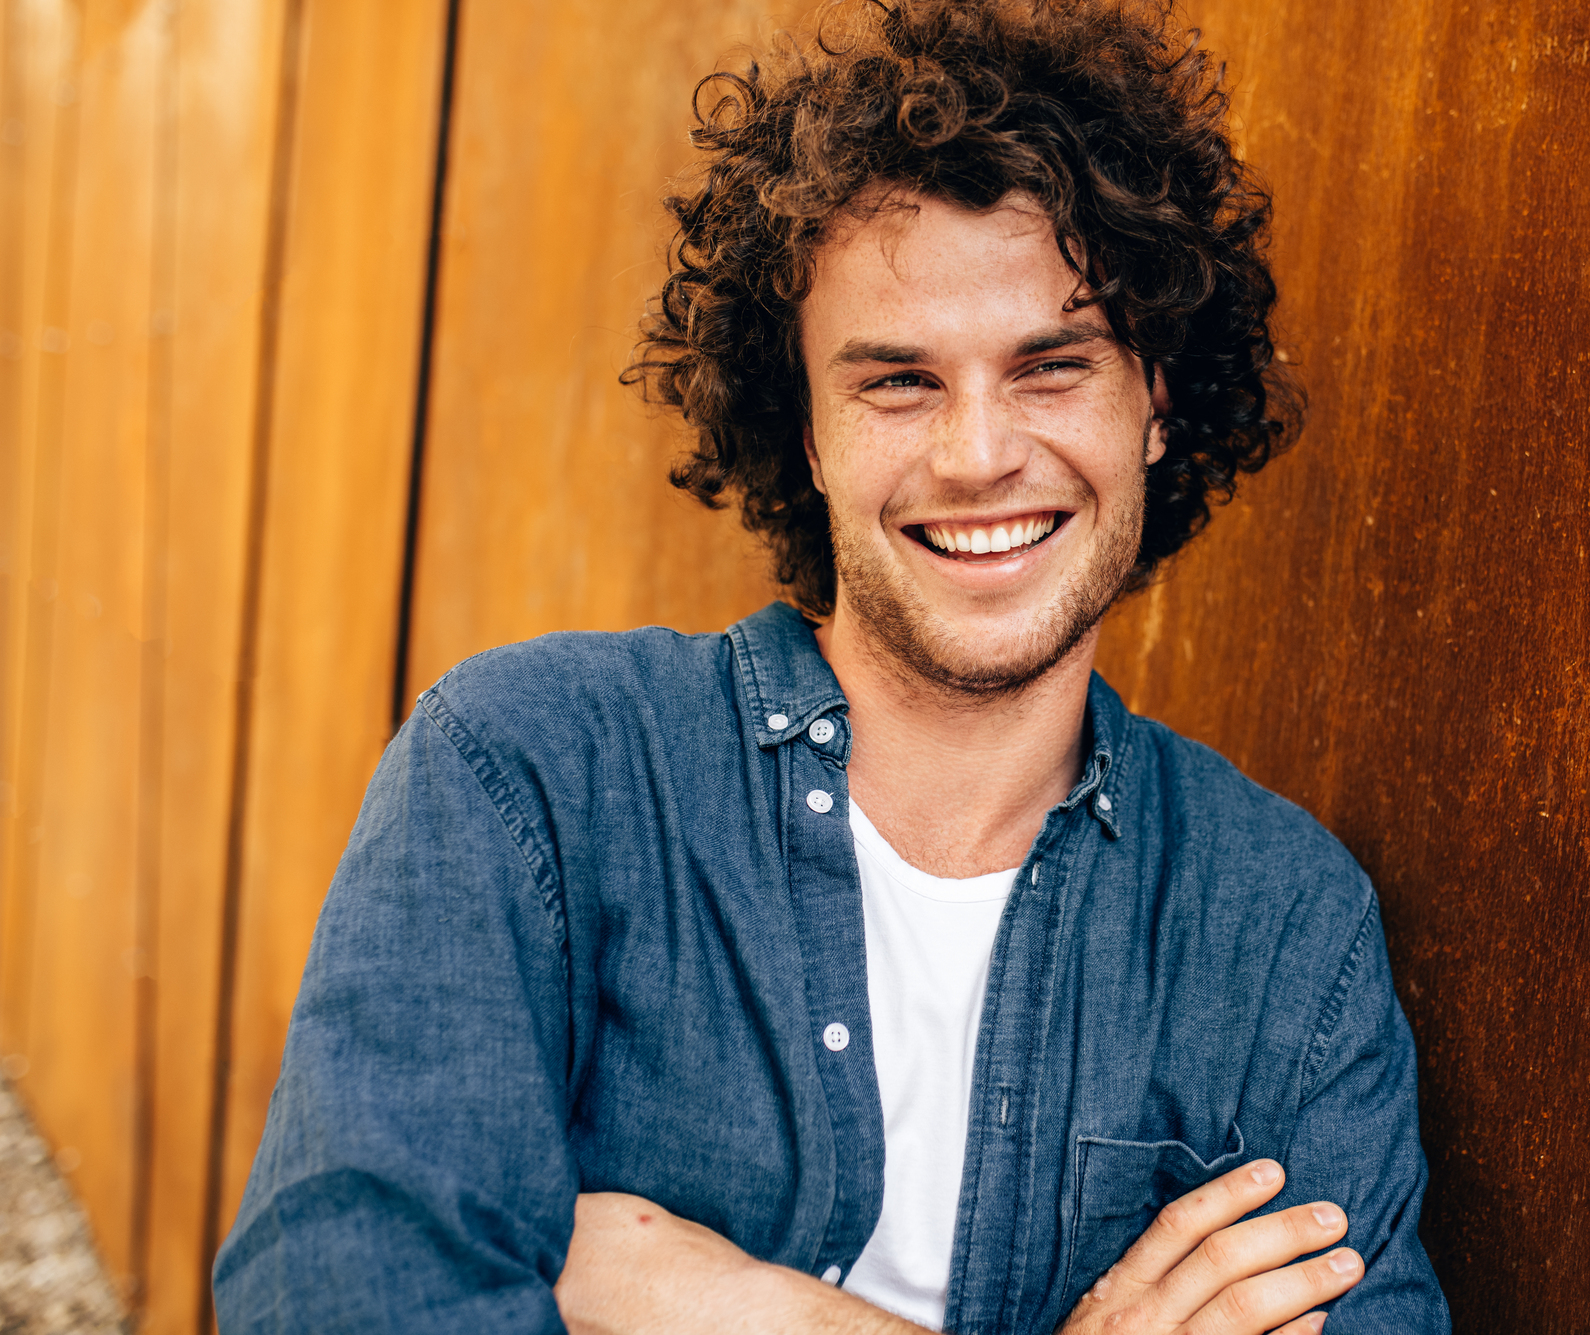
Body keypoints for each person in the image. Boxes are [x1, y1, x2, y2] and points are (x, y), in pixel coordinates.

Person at [213, 1, 1449, 1331]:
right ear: (800, 430)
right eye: (898, 382)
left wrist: (749, 1307)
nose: (980, 455)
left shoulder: (1278, 930)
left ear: (1153, 399)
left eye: (1052, 366)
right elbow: (339, 1302)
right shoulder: (535, 776)